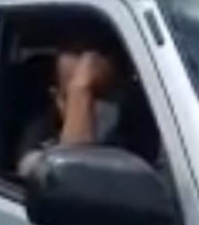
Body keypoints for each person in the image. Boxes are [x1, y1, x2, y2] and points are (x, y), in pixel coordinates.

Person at [17, 30, 126, 178]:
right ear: (56, 99)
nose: (93, 111)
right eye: (78, 99)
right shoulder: (37, 142)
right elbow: (73, 183)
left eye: (103, 99)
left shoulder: (139, 130)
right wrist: (80, 89)